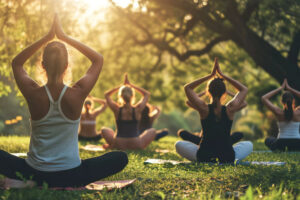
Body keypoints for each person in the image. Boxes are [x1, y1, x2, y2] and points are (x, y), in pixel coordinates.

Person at [0, 15, 128, 189]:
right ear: (67, 65)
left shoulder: (33, 93)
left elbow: (16, 64)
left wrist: (46, 38)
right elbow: (98, 59)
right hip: (72, 174)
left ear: (42, 65)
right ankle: (55, 182)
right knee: (120, 158)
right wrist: (64, 37)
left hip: (33, 171)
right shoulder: (78, 93)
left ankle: (31, 182)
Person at [175, 58, 253, 163]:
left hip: (204, 155)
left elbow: (187, 88)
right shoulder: (230, 108)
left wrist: (210, 76)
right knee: (249, 144)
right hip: (227, 156)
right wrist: (223, 75)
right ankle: (225, 158)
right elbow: (244, 89)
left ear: (208, 92)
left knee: (178, 144)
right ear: (224, 93)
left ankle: (210, 159)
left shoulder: (204, 108)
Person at [101, 74, 165, 150]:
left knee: (104, 130)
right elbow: (147, 94)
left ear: (121, 96)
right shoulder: (137, 109)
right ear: (132, 96)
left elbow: (107, 95)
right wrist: (131, 85)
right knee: (152, 131)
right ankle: (139, 147)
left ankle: (111, 145)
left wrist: (122, 85)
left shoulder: (117, 109)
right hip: (136, 144)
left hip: (118, 144)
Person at [178, 90, 246, 145]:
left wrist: (204, 92)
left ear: (210, 94)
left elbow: (189, 101)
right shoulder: (228, 109)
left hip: (215, 141)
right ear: (222, 95)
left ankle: (201, 138)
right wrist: (228, 92)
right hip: (210, 140)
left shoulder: (204, 108)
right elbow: (243, 102)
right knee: (182, 132)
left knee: (239, 134)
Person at [262, 79, 300, 151]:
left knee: (268, 140)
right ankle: (292, 149)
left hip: (281, 142)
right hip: (297, 142)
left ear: (282, 101)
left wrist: (280, 88)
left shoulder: (278, 112)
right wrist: (290, 89)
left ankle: (280, 149)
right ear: (293, 101)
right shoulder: (298, 113)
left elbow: (264, 98)